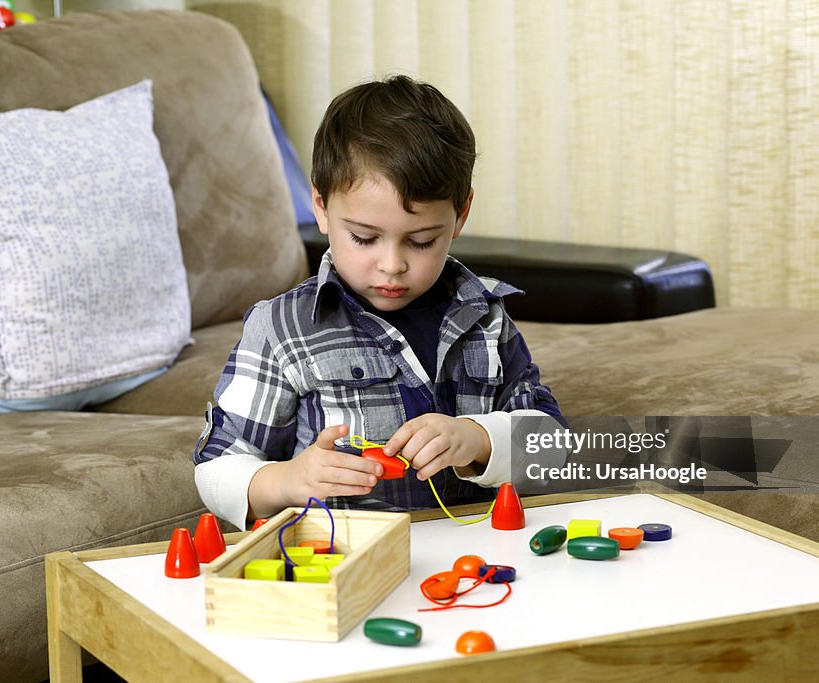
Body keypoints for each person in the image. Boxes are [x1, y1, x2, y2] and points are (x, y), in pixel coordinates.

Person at [193, 75, 561, 528]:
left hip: (477, 559)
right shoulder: (282, 328)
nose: (392, 265)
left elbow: (553, 444)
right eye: (364, 238)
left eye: (422, 241)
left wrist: (480, 438)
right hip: (348, 561)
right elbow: (216, 469)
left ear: (460, 215)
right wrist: (289, 479)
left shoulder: (483, 315)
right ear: (322, 207)